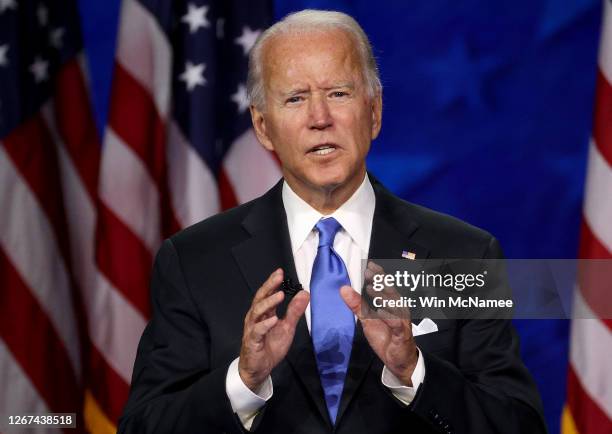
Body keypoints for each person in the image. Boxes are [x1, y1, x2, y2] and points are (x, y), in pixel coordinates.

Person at [118, 10, 547, 434]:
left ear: (374, 112)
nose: (319, 118)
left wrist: (415, 372)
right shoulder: (194, 261)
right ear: (263, 127)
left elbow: (518, 424)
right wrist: (242, 382)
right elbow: (142, 426)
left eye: (338, 93)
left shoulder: (465, 256)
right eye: (295, 98)